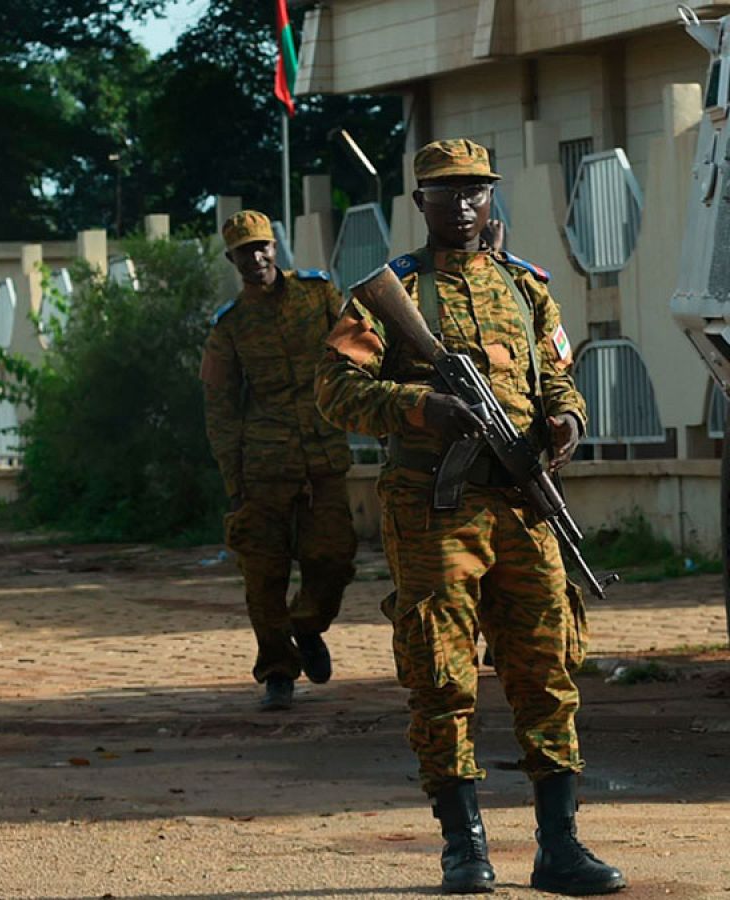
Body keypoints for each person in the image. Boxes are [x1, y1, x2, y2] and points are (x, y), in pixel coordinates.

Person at [316, 139, 624, 896]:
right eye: (445, 192)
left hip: (523, 507)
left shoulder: (526, 289)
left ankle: (560, 847)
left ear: (492, 198)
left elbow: (559, 379)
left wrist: (565, 425)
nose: (462, 204)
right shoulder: (394, 293)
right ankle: (464, 847)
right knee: (441, 674)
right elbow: (334, 392)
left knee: (548, 669)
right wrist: (422, 407)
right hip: (435, 512)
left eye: (475, 191)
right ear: (418, 201)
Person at [200, 210, 357, 712]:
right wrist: (233, 479)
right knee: (263, 574)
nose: (258, 257)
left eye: (263, 246)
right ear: (232, 258)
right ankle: (277, 671)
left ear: (276, 247)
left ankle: (307, 626)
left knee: (333, 558)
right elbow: (220, 406)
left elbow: (357, 353)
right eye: (246, 251)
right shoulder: (229, 326)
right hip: (262, 465)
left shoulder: (318, 295)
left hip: (322, 456)